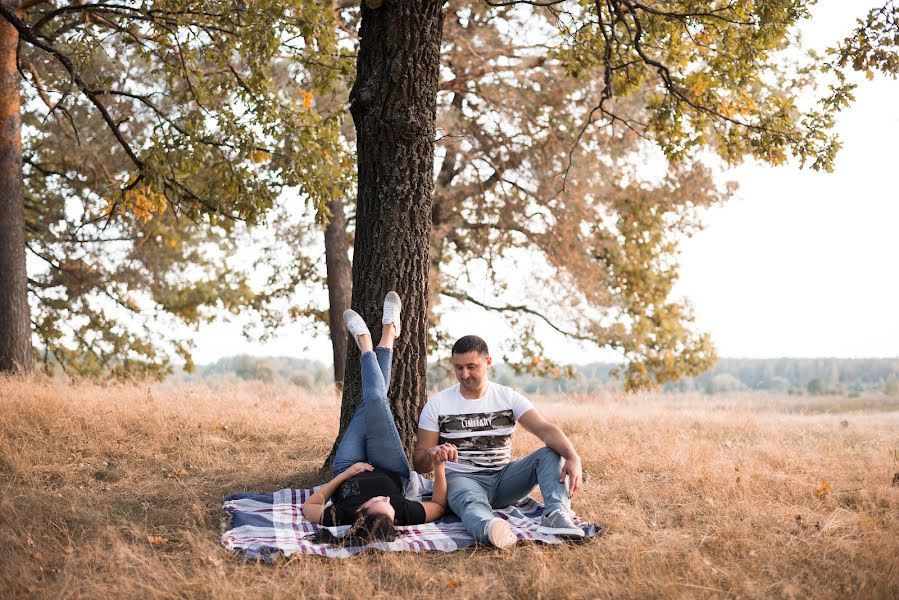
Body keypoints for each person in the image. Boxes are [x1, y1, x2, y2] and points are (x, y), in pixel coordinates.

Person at [301, 292, 452, 544]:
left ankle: (381, 338)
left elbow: (310, 507)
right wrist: (439, 467)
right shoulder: (402, 513)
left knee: (370, 402)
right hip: (390, 464)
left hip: (347, 465)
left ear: (361, 513)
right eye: (389, 505)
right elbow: (438, 505)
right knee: (375, 400)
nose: (385, 499)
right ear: (394, 519)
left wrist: (345, 475)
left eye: (378, 502)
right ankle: (373, 340)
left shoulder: (343, 514)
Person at [413, 335, 585, 549]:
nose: (464, 375)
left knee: (550, 453)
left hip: (504, 478)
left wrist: (573, 457)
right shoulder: (437, 405)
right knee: (470, 501)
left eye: (471, 367)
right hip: (463, 479)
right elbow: (419, 462)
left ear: (488, 363)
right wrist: (433, 454)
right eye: (458, 368)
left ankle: (556, 515)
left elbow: (544, 429)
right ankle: (490, 528)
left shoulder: (507, 397)